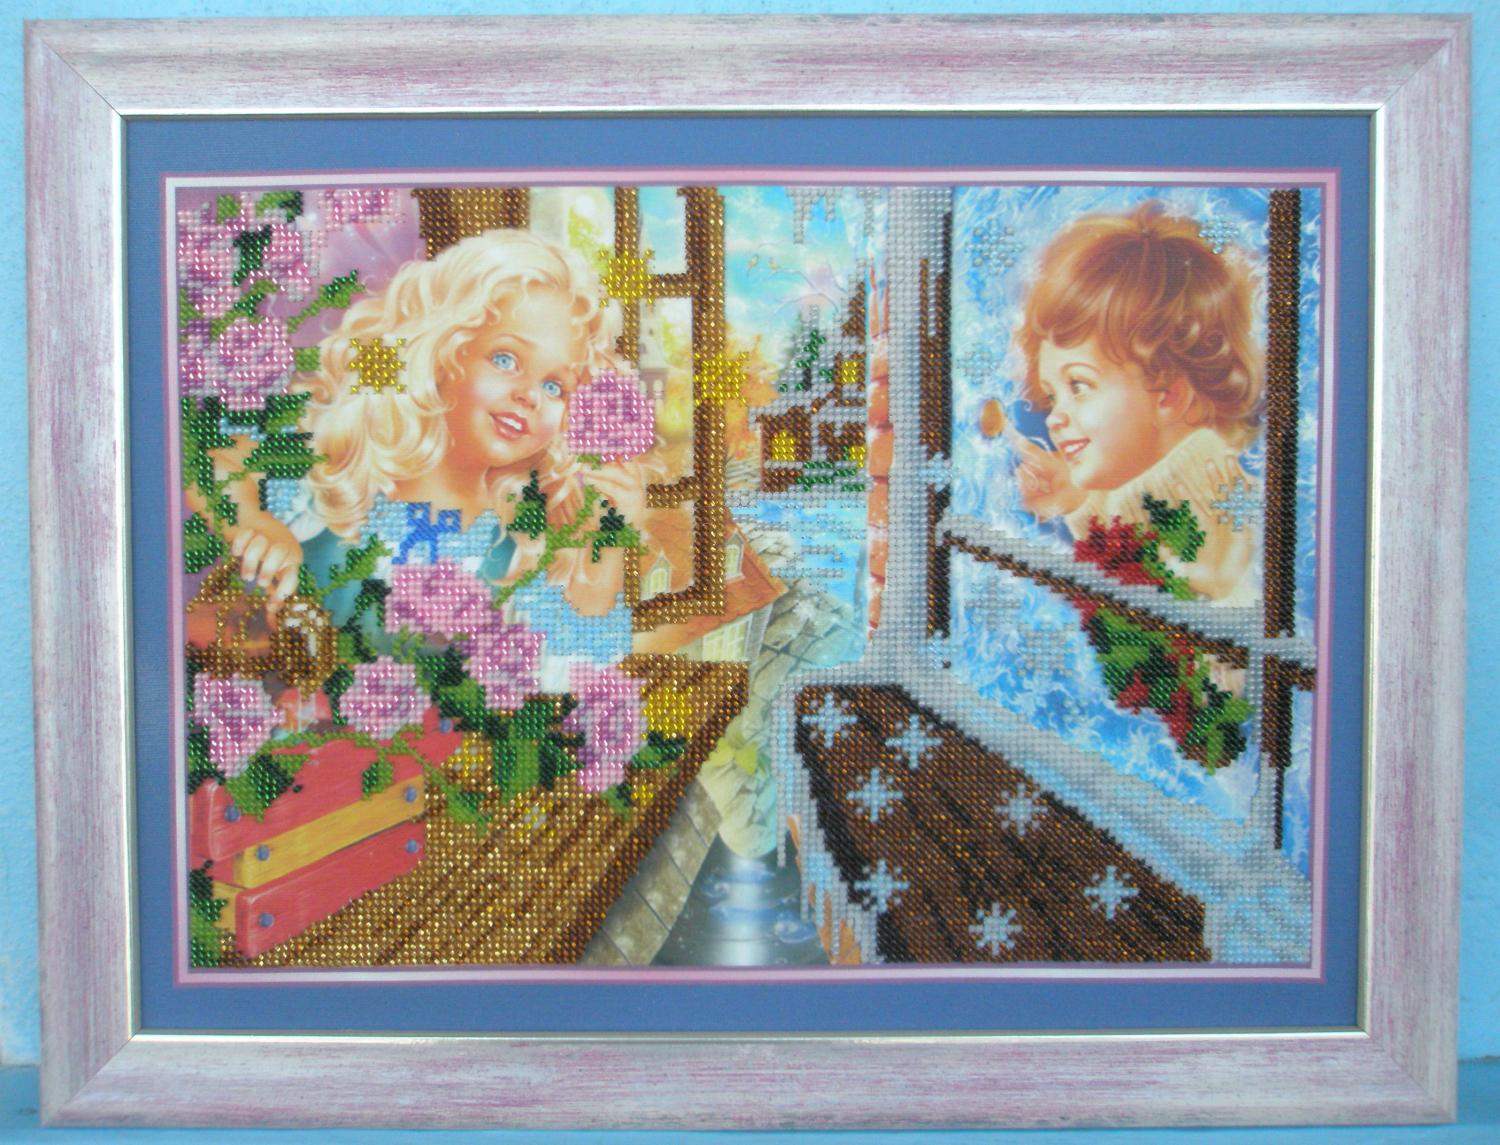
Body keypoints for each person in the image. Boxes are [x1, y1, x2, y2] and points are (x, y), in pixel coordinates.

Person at [203, 228, 650, 621]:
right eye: (505, 359)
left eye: (555, 387)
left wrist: (608, 537)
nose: (530, 395)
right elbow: (206, 461)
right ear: (443, 351)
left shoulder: (518, 538)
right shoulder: (341, 463)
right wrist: (251, 521)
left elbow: (574, 652)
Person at [1010, 202, 1265, 604]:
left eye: (1079, 385)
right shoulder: (1149, 502)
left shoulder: (1215, 509)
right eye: (1053, 395)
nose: (1055, 418)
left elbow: (1166, 604)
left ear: (1167, 395)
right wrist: (1078, 503)